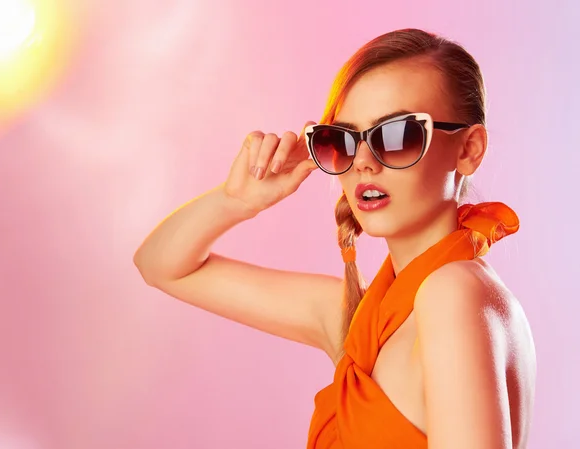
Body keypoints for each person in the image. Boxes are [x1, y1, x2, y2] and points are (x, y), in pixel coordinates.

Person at [133, 28, 536, 449]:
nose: (363, 162)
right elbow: (160, 266)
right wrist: (238, 200)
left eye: (397, 135)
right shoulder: (356, 319)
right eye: (344, 140)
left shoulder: (454, 292)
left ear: (468, 150)